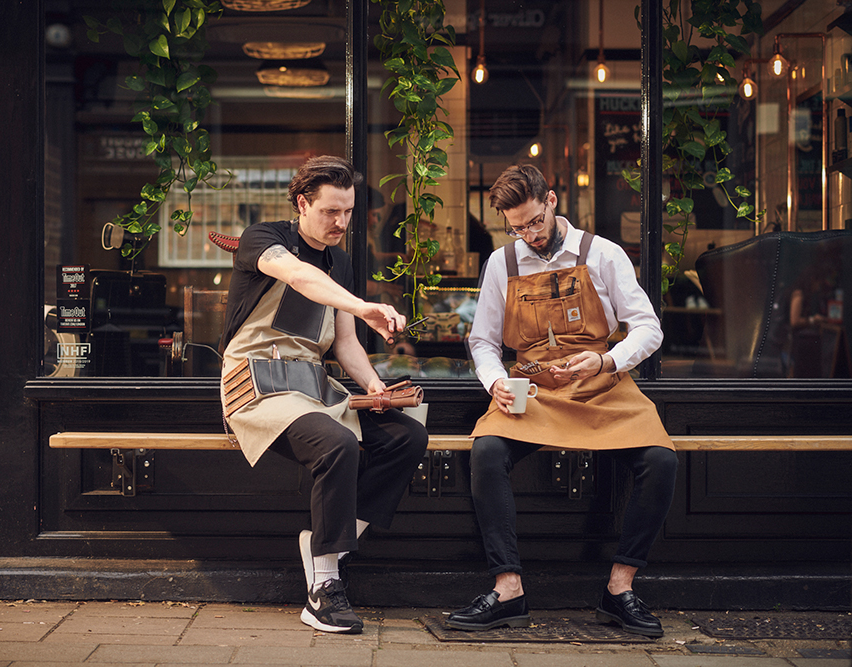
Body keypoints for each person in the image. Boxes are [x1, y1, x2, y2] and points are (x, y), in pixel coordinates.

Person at [448, 164, 677, 637]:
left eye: (534, 222)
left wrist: (608, 361)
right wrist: (494, 382)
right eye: (516, 228)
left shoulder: (603, 254)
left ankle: (620, 588)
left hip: (602, 384)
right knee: (487, 450)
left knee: (662, 460)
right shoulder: (502, 264)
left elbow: (649, 327)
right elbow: (484, 342)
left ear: (551, 201)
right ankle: (507, 588)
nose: (529, 235)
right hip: (532, 387)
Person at [219, 155, 429, 635]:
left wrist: (374, 386)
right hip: (255, 383)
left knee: (407, 438)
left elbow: (346, 342)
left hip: (313, 386)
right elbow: (297, 277)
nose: (341, 222)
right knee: (339, 444)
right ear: (302, 204)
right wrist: (362, 302)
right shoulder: (264, 240)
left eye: (348, 211)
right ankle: (324, 589)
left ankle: (325, 546)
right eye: (331, 211)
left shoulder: (341, 260)